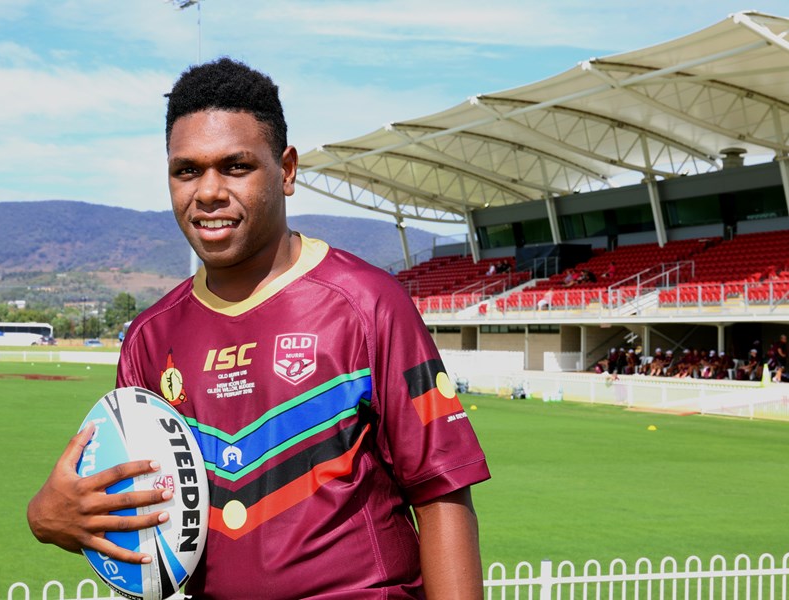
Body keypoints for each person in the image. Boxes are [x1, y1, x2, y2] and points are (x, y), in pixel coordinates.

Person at [27, 57, 490, 599]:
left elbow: (440, 494)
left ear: (286, 170)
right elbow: (142, 518)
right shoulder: (150, 336)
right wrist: (49, 517)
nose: (208, 192)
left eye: (236, 166)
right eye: (187, 170)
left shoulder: (368, 304)